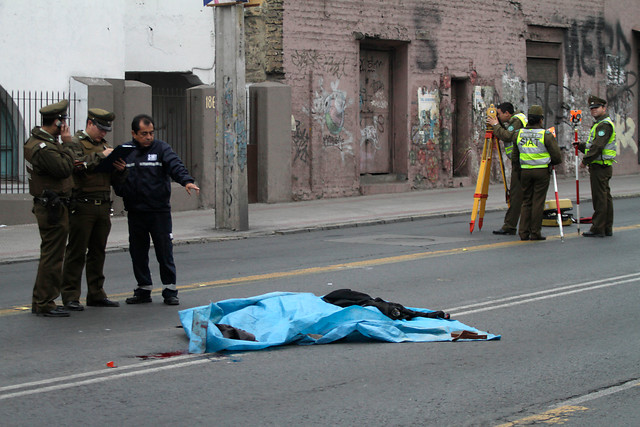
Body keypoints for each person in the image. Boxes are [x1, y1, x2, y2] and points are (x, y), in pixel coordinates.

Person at [113, 114, 200, 305]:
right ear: (134, 133)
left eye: (151, 133)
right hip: (136, 212)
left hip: (159, 211)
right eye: (144, 134)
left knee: (164, 250)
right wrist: (120, 173)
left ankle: (169, 289)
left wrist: (186, 181)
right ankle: (143, 288)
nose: (149, 137)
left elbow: (175, 166)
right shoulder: (125, 152)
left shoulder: (162, 149)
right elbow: (119, 186)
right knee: (138, 252)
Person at [61, 109, 128, 311]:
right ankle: (71, 295)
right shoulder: (76, 143)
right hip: (83, 204)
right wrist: (101, 156)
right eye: (100, 128)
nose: (103, 133)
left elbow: (112, 180)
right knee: (76, 252)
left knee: (98, 252)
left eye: (106, 130)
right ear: (90, 123)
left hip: (102, 204)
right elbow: (77, 165)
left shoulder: (105, 146)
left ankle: (96, 293)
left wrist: (120, 169)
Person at [24, 100, 75, 317]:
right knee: (53, 257)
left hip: (52, 204)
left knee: (51, 254)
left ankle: (41, 300)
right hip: (52, 207)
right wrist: (68, 143)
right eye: (63, 121)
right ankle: (45, 302)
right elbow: (64, 169)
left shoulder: (42, 143)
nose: (64, 125)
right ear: (57, 122)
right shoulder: (43, 147)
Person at [511, 105, 562, 241]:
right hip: (541, 171)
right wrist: (552, 162)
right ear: (540, 120)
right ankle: (535, 232)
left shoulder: (518, 133)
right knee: (538, 201)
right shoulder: (545, 135)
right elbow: (557, 157)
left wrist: (518, 171)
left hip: (525, 171)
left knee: (526, 201)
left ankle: (523, 232)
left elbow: (514, 157)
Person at [574, 95, 616, 237]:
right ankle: (607, 227)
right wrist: (581, 146)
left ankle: (598, 228)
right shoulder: (600, 124)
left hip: (600, 166)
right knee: (605, 198)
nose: (593, 110)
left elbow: (598, 146)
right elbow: (593, 145)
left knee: (600, 199)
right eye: (591, 108)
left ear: (604, 108)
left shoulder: (604, 125)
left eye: (596, 108)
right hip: (602, 165)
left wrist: (585, 161)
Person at [486, 102, 527, 235]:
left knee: (516, 196)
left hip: (521, 163)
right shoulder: (518, 119)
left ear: (507, 114)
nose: (497, 116)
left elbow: (508, 135)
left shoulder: (516, 121)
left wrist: (495, 125)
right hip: (525, 162)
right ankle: (525, 226)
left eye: (499, 114)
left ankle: (510, 226)